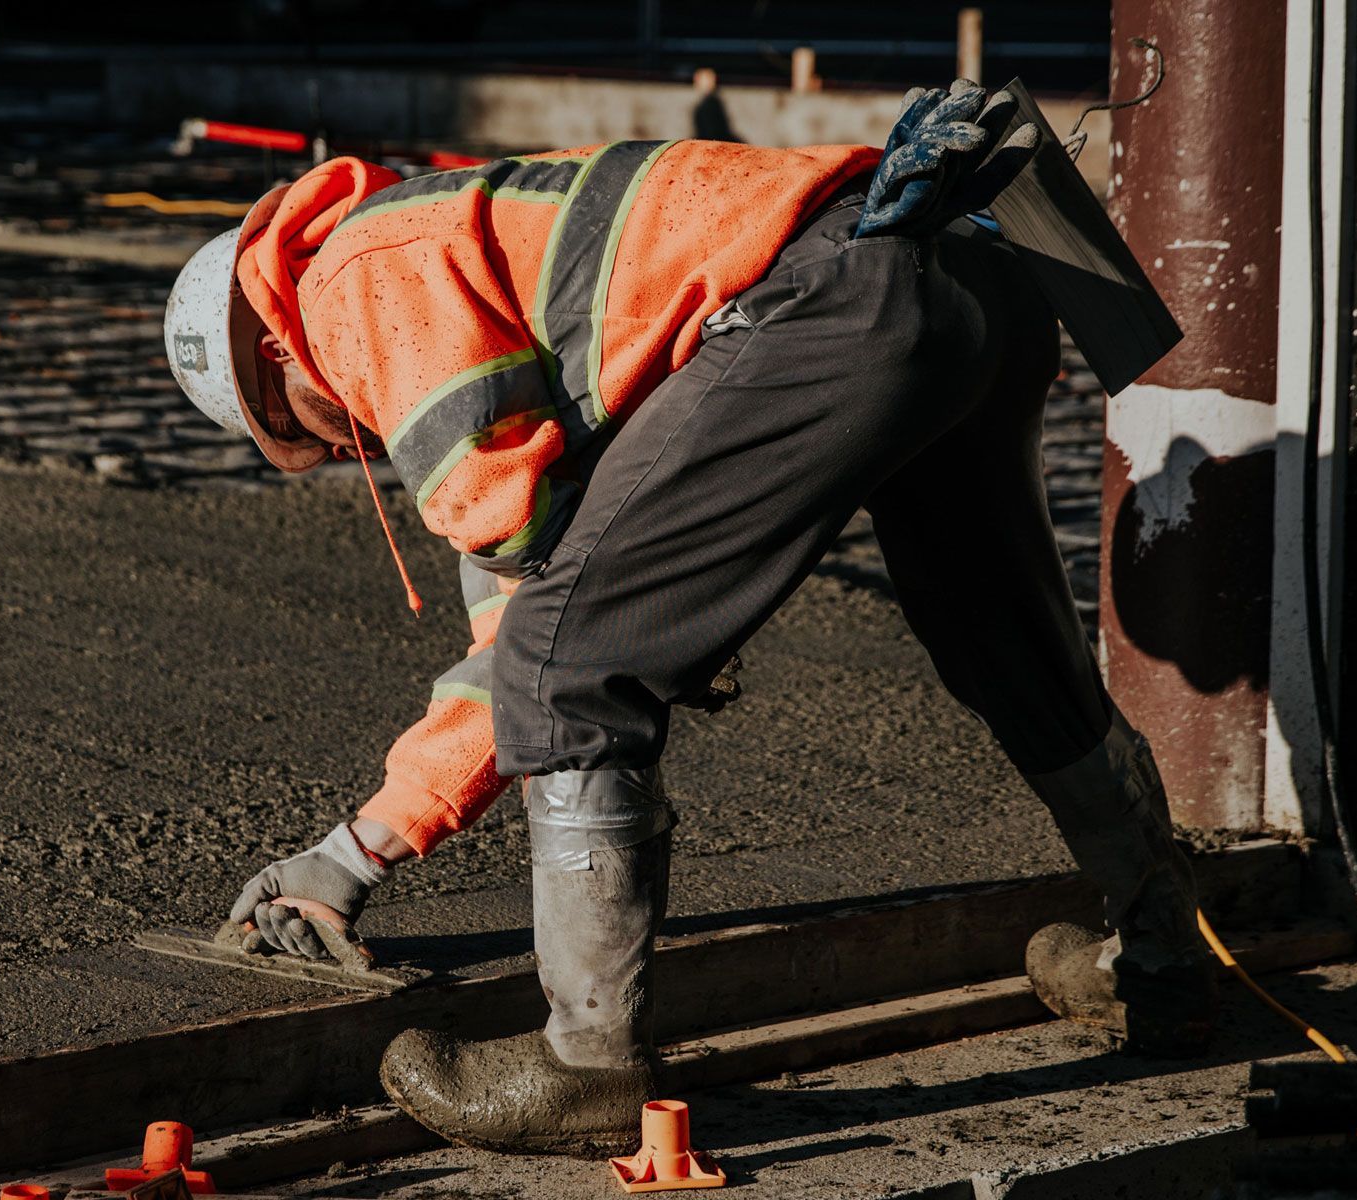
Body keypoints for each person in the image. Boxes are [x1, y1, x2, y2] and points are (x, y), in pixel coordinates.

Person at [161, 81, 1217, 1157]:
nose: (347, 450)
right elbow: (541, 584)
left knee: (569, 672)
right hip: (965, 274)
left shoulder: (356, 289)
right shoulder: (461, 240)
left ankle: (587, 1066)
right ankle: (1164, 956)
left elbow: (538, 628)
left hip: (837, 295)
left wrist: (352, 853)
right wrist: (361, 852)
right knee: (1010, 646)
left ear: (274, 355)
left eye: (306, 432)